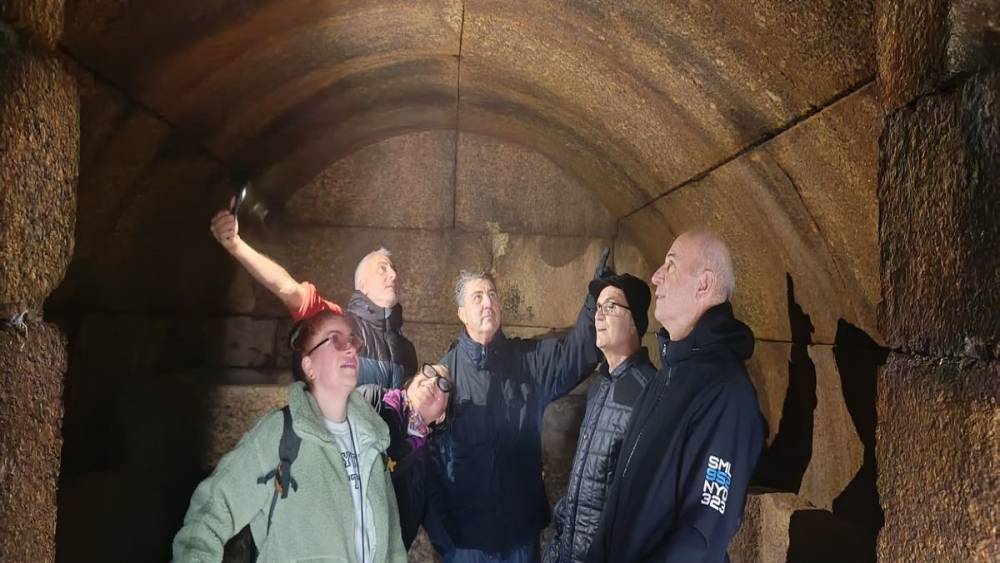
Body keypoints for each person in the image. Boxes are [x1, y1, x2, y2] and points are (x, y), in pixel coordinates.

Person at [585, 231, 766, 563]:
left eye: (670, 265)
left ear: (703, 284)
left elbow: (700, 535)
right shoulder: (667, 376)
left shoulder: (727, 393)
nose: (656, 276)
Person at [172, 310, 406, 562]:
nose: (350, 349)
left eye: (352, 341)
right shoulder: (280, 433)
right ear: (309, 366)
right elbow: (212, 509)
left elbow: (393, 548)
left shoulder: (373, 443)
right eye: (335, 340)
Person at [427, 252, 610, 563]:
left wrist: (595, 299)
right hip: (466, 543)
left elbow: (575, 356)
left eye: (492, 295)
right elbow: (428, 461)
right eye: (477, 297)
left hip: (519, 538)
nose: (488, 302)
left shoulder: (528, 361)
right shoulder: (445, 377)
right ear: (462, 313)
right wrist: (443, 539)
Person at [210, 205, 416, 388]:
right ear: (362, 284)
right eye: (382, 268)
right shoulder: (338, 321)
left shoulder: (407, 351)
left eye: (394, 270)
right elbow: (289, 289)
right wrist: (236, 245)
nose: (393, 275)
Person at [543, 273, 655, 563]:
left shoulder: (648, 391)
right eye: (598, 306)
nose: (599, 315)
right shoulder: (600, 384)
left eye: (611, 306)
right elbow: (582, 477)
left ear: (635, 321)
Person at [358, 363, 453, 550]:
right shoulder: (373, 399)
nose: (432, 381)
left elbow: (405, 531)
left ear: (441, 416)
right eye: (429, 372)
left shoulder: (425, 468)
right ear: (412, 381)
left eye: (443, 385)